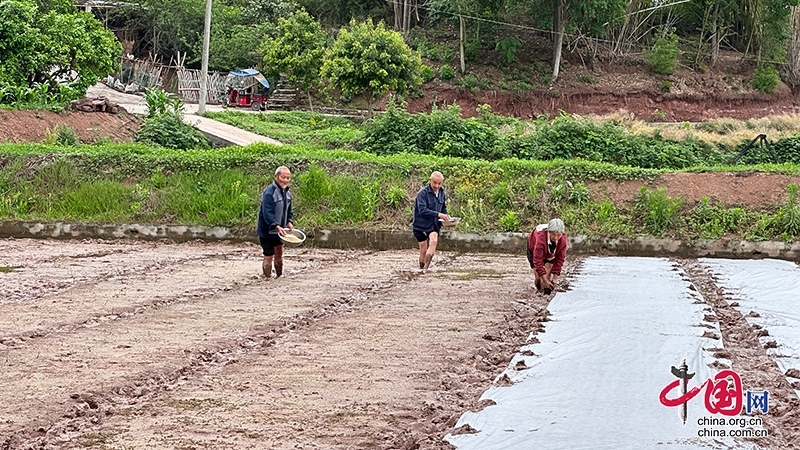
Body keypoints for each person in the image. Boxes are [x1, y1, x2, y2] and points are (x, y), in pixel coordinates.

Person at [257, 166, 294, 279]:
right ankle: (267, 277)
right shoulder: (269, 193)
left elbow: (289, 210)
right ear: (276, 177)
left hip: (280, 230)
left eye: (288, 178)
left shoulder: (287, 193)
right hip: (267, 230)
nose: (286, 180)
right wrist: (276, 225)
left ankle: (279, 276)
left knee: (279, 253)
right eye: (283, 177)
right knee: (269, 254)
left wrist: (289, 221)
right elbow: (267, 212)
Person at [412, 171, 450, 271]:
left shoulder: (441, 192)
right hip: (420, 224)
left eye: (439, 183)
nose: (437, 185)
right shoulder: (423, 193)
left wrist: (445, 216)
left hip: (433, 224)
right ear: (430, 181)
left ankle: (426, 268)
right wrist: (438, 214)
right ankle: (421, 268)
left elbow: (443, 207)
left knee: (433, 240)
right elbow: (422, 210)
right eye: (434, 183)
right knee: (423, 250)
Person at [527, 218, 567, 294]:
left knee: (548, 277)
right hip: (534, 249)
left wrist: (555, 278)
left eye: (558, 235)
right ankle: (539, 290)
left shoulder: (563, 240)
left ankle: (545, 292)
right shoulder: (540, 238)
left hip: (550, 253)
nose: (555, 238)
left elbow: (560, 259)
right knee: (539, 279)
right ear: (548, 232)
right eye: (553, 235)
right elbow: (537, 260)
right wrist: (544, 281)